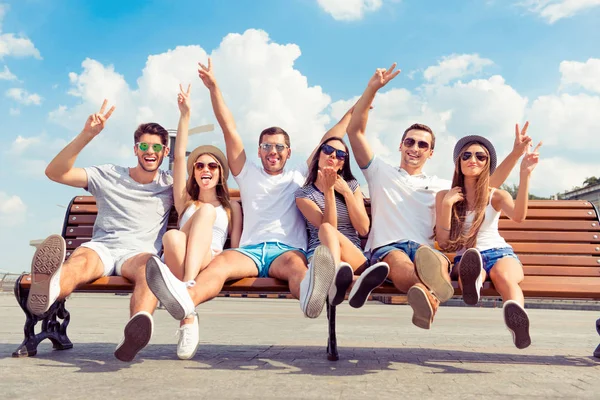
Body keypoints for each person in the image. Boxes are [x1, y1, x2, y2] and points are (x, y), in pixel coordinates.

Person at [145, 58, 355, 328]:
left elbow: (329, 138)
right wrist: (214, 88)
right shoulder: (247, 173)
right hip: (249, 252)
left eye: (279, 147)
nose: (273, 152)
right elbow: (228, 128)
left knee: (297, 269)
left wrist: (354, 110)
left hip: (287, 250)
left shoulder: (298, 175)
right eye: (266, 146)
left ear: (288, 153)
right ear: (259, 151)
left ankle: (309, 298)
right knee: (218, 267)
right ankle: (187, 299)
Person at [346, 63, 533, 330]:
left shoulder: (441, 186)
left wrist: (515, 155)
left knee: (437, 263)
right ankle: (428, 298)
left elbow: (487, 185)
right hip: (392, 246)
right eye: (410, 141)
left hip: (429, 252)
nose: (415, 148)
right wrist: (372, 89)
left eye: (423, 144)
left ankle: (428, 297)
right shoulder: (380, 172)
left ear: (431, 153)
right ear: (400, 145)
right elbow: (355, 132)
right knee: (400, 263)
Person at [28, 100, 173, 361]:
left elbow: (206, 191)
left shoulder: (169, 185)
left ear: (165, 151)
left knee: (151, 269)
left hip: (139, 253)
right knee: (80, 262)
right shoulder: (108, 174)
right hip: (103, 248)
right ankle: (48, 291)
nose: (149, 151)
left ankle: (134, 332)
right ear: (135, 150)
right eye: (143, 146)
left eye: (155, 147)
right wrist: (87, 135)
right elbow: (54, 173)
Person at [157, 84, 242, 359]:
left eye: (212, 166)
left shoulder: (233, 209)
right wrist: (185, 115)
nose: (206, 169)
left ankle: (185, 291)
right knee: (171, 236)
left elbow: (237, 249)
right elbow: (179, 155)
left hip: (211, 259)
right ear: (194, 173)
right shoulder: (185, 203)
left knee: (205, 212)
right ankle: (188, 309)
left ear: (220, 173)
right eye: (200, 166)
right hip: (180, 257)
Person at [435, 135, 541, 349]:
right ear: (458, 161)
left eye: (480, 156)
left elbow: (519, 216)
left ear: (487, 164)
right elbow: (444, 243)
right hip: (468, 256)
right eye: (466, 155)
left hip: (500, 252)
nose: (473, 159)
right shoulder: (444, 196)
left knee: (504, 276)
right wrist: (447, 206)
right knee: (472, 266)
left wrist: (525, 175)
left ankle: (517, 320)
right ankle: (473, 282)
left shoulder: (496, 195)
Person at [295, 137, 389, 308]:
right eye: (328, 150)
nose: (333, 156)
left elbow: (363, 229)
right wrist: (329, 190)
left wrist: (346, 192)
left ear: (343, 163)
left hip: (353, 255)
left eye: (340, 155)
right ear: (319, 154)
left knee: (327, 229)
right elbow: (329, 228)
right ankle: (351, 281)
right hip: (321, 255)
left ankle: (336, 278)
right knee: (326, 228)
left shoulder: (351, 186)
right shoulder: (304, 194)